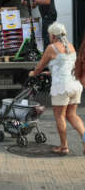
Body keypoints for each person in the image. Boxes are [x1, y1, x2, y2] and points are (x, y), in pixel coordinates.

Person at [29, 22, 85, 155]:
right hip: (74, 85)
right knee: (72, 115)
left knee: (60, 116)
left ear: (53, 35)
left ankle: (64, 146)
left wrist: (33, 73)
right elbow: (68, 66)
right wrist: (51, 72)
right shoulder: (71, 46)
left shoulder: (51, 48)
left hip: (62, 87)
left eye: (49, 35)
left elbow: (39, 66)